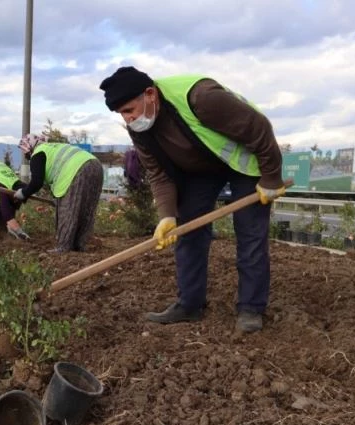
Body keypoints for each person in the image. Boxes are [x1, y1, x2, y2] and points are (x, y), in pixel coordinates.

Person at [99, 66, 286, 333]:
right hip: (202, 169)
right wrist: (166, 215)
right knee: (189, 230)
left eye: (129, 110)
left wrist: (270, 178)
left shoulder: (201, 97)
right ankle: (190, 304)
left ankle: (251, 308)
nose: (128, 119)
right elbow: (158, 173)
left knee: (250, 232)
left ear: (150, 94)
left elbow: (258, 128)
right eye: (122, 114)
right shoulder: (140, 128)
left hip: (245, 163)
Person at [14, 135, 104, 253]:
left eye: (24, 149)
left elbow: (36, 182)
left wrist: (23, 193)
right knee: (87, 210)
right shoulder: (52, 147)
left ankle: (64, 247)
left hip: (76, 170)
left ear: (29, 146)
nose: (25, 154)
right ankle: (80, 245)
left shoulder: (38, 153)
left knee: (67, 211)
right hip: (95, 165)